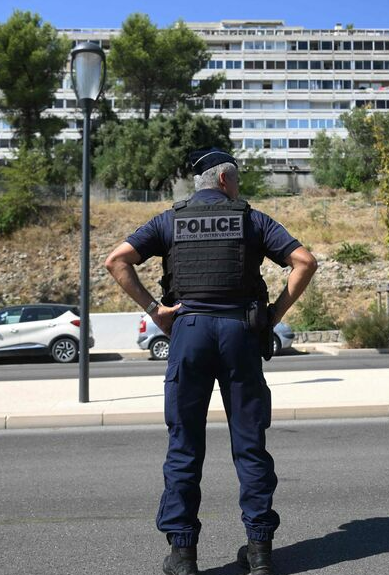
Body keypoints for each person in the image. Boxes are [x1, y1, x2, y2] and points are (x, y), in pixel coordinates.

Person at [104, 148, 317, 575]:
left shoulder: (169, 220)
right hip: (240, 333)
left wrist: (155, 310)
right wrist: (273, 315)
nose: (239, 188)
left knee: (184, 444)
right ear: (224, 180)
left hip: (189, 333)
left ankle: (183, 555)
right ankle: (260, 552)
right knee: (250, 444)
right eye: (236, 180)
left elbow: (116, 261)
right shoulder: (253, 220)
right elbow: (304, 262)